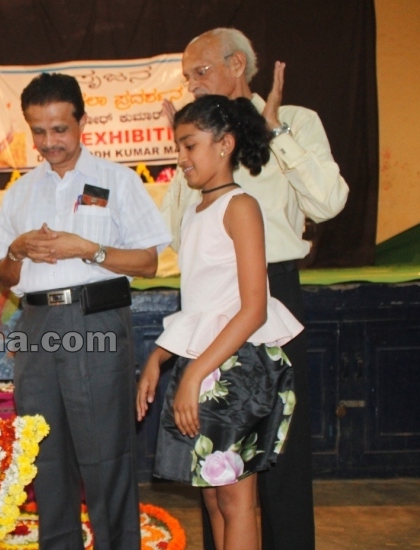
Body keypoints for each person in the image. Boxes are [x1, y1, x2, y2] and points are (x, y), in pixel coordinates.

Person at [160, 28, 349, 550]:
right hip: (204, 303)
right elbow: (178, 237)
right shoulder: (196, 141)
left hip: (270, 299)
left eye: (201, 73)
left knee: (281, 456)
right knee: (215, 464)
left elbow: (329, 203)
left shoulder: (297, 120)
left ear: (237, 65)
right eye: (187, 78)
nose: (193, 86)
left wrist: (277, 132)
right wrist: (183, 162)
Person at [0, 73, 171, 549]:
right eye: (39, 131)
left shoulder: (117, 181)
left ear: (82, 122)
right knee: (44, 455)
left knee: (105, 453)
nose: (49, 143)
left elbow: (149, 263)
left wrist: (87, 249)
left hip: (96, 320)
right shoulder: (20, 193)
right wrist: (17, 250)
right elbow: (4, 278)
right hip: (36, 325)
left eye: (60, 129)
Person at [138, 95, 303, 549]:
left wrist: (192, 373)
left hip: (235, 369)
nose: (182, 158)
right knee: (213, 499)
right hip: (204, 365)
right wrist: (159, 357)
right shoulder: (196, 209)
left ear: (225, 143)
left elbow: (254, 308)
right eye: (178, 146)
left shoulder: (240, 207)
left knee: (235, 500)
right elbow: (201, 307)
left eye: (190, 146)